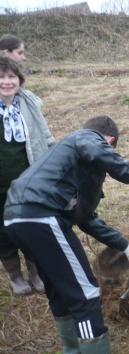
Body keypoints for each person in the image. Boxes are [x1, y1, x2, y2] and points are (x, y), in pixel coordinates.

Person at [3, 116, 129, 353]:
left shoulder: (66, 168)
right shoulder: (86, 137)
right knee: (86, 294)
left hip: (16, 219)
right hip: (42, 215)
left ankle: (72, 349)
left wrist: (126, 247)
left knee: (58, 288)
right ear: (109, 140)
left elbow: (86, 218)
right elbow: (94, 148)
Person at [0, 55, 54, 295]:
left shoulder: (29, 104)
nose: (6, 82)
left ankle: (35, 272)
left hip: (26, 183)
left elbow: (45, 136)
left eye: (11, 76)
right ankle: (15, 277)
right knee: (4, 232)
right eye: (1, 77)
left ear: (19, 80)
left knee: (30, 227)